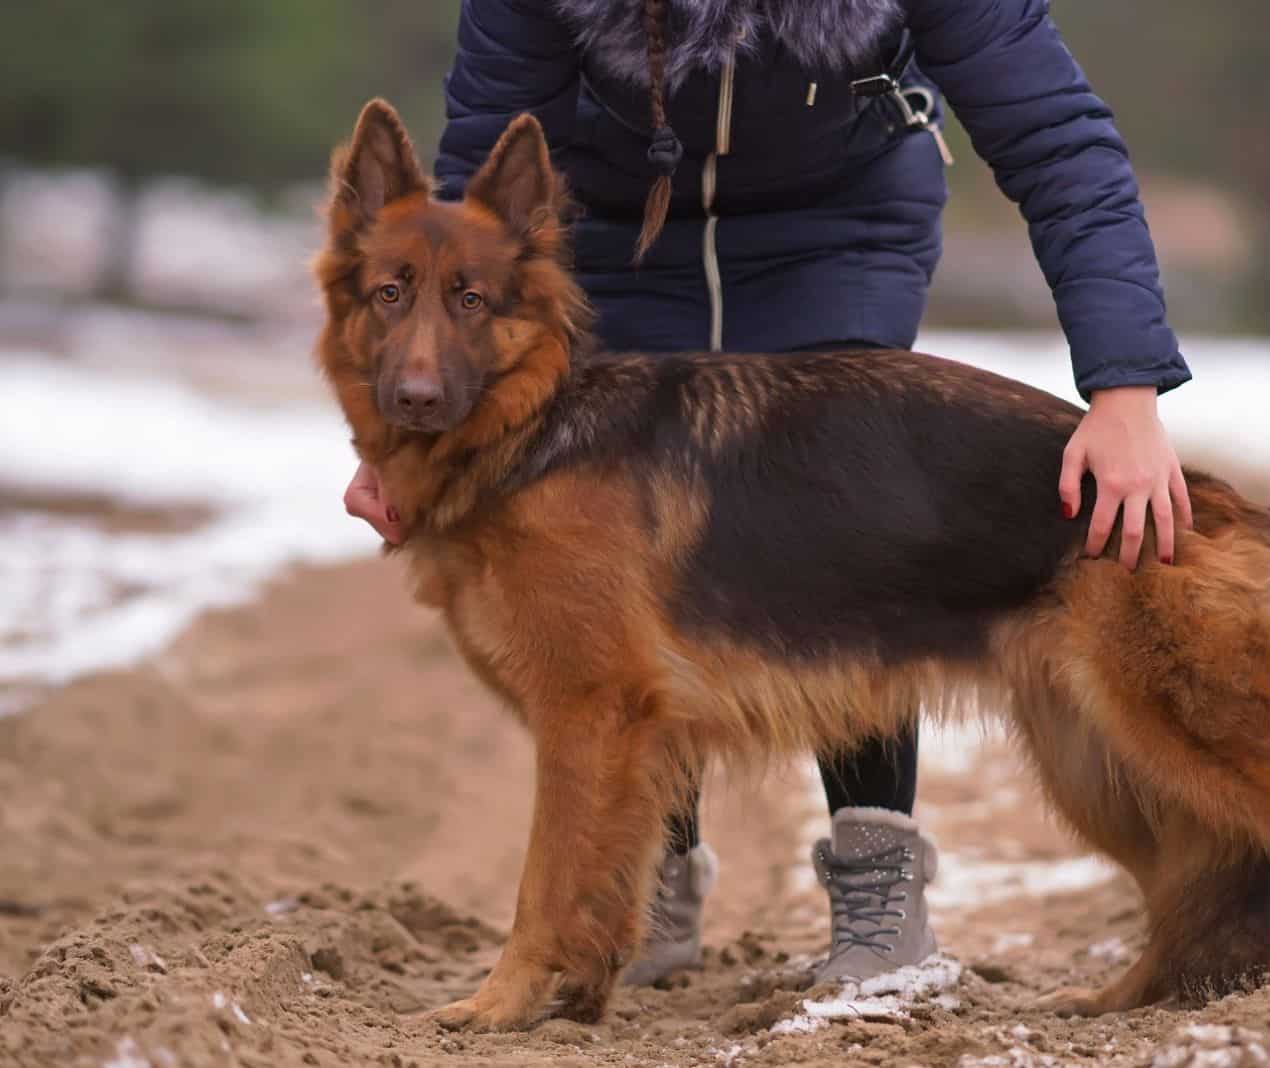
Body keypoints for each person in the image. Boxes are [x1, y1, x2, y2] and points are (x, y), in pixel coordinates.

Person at [344, 0, 1193, 986]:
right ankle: (648, 883)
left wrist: (1125, 386)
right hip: (619, 243)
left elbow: (1056, 141)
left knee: (844, 509)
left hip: (837, 232)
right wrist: (420, 434)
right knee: (614, 548)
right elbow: (479, 178)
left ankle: (878, 886)